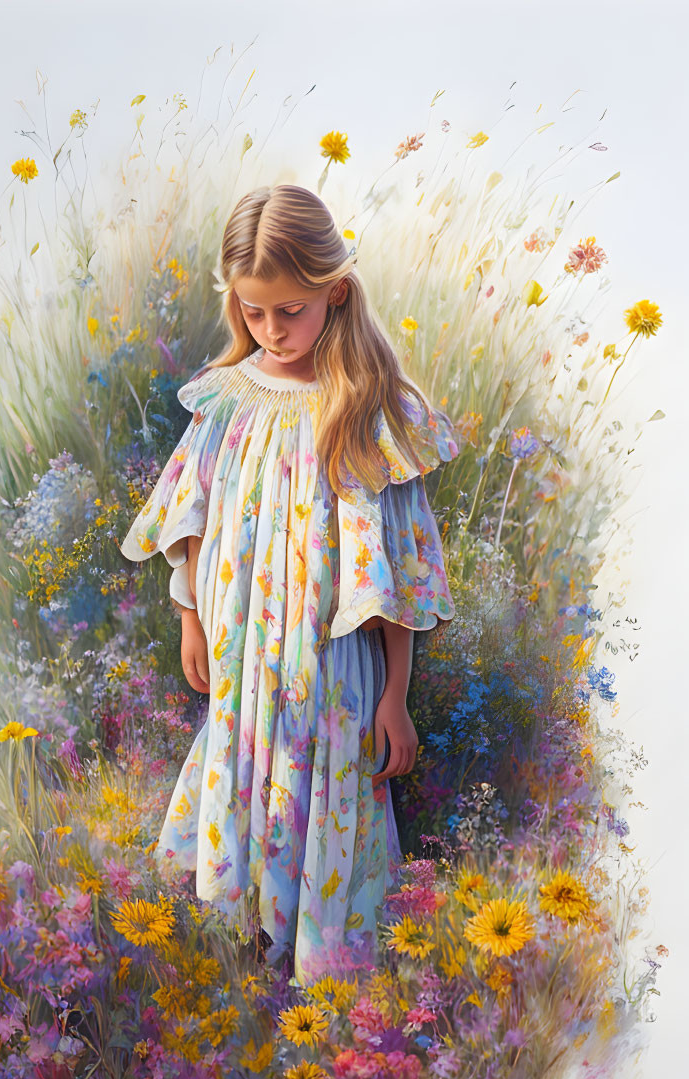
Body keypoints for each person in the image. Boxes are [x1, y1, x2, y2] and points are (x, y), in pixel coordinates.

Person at [119, 184, 459, 984]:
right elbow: (191, 519)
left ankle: (317, 964)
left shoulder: (371, 410)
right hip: (242, 652)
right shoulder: (226, 399)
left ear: (334, 293)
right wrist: (190, 622)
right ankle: (243, 944)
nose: (271, 331)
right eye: (253, 312)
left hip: (330, 663)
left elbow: (398, 575)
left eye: (290, 311)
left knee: (324, 778)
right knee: (245, 773)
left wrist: (396, 693)